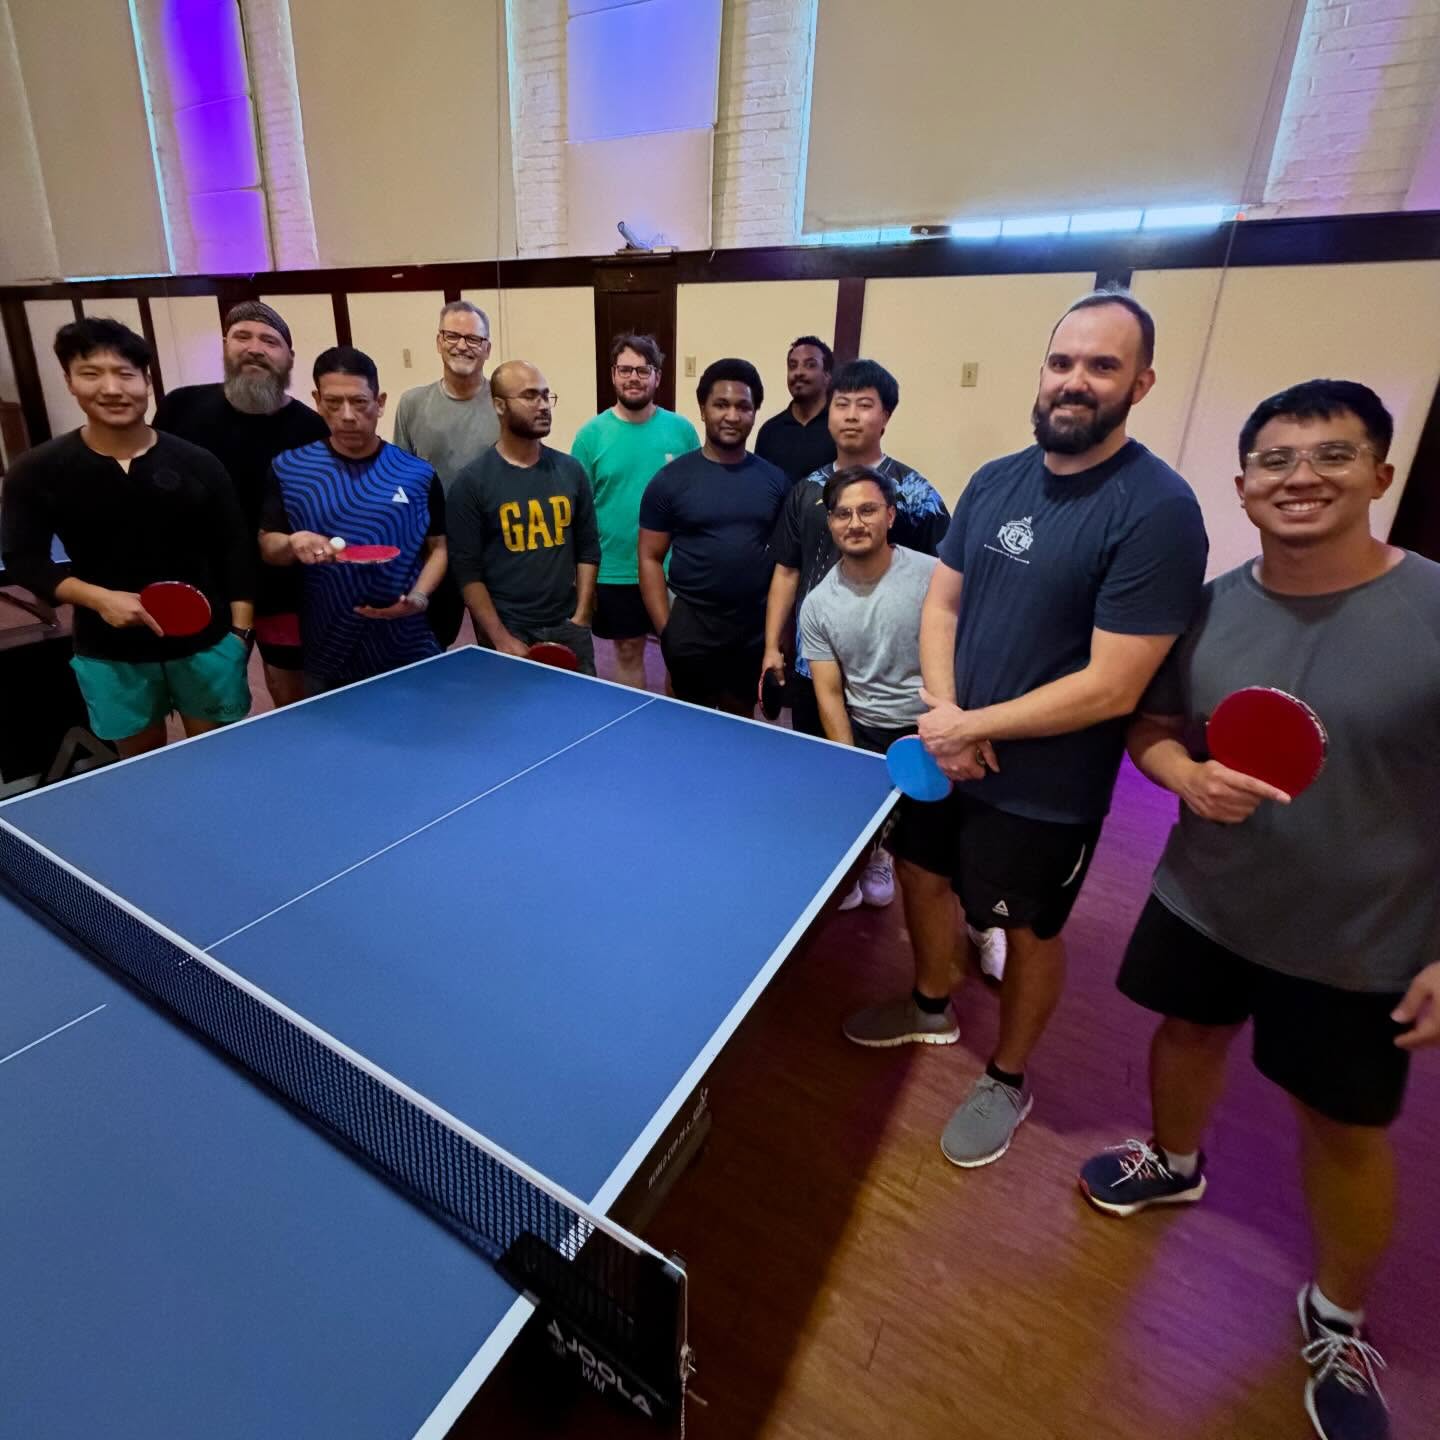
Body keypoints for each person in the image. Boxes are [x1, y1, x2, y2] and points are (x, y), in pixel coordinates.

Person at [1077, 380, 1440, 1440]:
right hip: (1208, 898)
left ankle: (1337, 1316)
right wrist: (1182, 774)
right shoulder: (1211, 606)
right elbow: (1152, 729)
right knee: (1185, 1033)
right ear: (1242, 488)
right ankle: (1175, 1165)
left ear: (1380, 474)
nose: (1302, 478)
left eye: (1332, 456)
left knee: (1342, 1128)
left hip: (1364, 937)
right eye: (1277, 461)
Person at [843, 289, 1209, 1176]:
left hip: (1047, 788)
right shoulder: (997, 479)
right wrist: (944, 716)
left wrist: (971, 724)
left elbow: (1113, 682)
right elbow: (945, 601)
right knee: (925, 880)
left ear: (1141, 383)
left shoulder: (1159, 509)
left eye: (1102, 365)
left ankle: (1008, 1075)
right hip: (949, 747)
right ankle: (932, 1005)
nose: (1074, 381)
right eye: (1062, 362)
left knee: (1030, 932)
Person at [0, 318, 253, 756]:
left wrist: (239, 636)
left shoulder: (198, 462)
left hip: (207, 643)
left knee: (220, 758)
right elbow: (24, 559)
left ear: (147, 381)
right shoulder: (37, 470)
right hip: (109, 649)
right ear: (70, 382)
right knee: (139, 768)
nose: (112, 388)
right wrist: (99, 599)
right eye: (92, 373)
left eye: (125, 374)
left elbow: (235, 550)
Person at [761, 358, 953, 915]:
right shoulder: (807, 491)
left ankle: (881, 854)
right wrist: (774, 645)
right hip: (815, 659)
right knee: (833, 771)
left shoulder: (914, 491)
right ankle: (848, 852)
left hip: (892, 670)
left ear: (886, 415)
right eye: (841, 403)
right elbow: (787, 570)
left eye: (864, 404)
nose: (850, 415)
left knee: (899, 778)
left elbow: (944, 587)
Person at [153, 300, 329, 707]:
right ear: (225, 345)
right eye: (242, 337)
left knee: (293, 695)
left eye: (269, 341)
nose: (255, 348)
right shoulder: (181, 408)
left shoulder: (311, 427)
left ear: (288, 357)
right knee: (213, 699)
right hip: (209, 584)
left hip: (284, 585)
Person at [258, 346, 446, 691]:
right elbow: (268, 545)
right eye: (333, 402)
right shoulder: (288, 468)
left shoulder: (417, 473)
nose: (347, 415)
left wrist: (419, 598)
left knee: (422, 735)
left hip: (407, 642)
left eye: (359, 402)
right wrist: (291, 543)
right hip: (327, 648)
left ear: (380, 402)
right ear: (317, 400)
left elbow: (439, 547)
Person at [638, 358, 789, 715]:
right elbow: (649, 557)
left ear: (755, 413)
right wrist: (667, 630)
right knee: (688, 721)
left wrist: (777, 635)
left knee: (740, 719)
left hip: (751, 623)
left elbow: (787, 566)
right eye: (721, 404)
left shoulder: (776, 481)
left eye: (743, 406)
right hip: (692, 621)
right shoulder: (670, 480)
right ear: (703, 410)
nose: (732, 416)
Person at [446, 361, 600, 674]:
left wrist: (582, 616)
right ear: (499, 405)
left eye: (546, 396)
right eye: (530, 397)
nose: (543, 405)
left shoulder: (571, 472)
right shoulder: (472, 483)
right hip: (509, 628)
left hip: (568, 624)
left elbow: (587, 549)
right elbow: (467, 572)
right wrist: (500, 637)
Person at [570, 333, 699, 688]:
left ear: (658, 376)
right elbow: (580, 512)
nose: (633, 378)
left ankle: (674, 723)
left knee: (679, 652)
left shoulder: (683, 431)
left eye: (643, 370)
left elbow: (693, 499)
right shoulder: (589, 436)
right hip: (615, 568)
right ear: (613, 375)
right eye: (625, 370)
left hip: (675, 568)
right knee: (627, 650)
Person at [392, 301, 499, 649]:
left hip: (493, 553)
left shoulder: (504, 403)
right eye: (452, 335)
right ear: (439, 341)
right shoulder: (411, 404)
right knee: (431, 645)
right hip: (434, 551)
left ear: (487, 348)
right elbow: (402, 483)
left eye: (472, 338)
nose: (462, 345)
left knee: (497, 646)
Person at [754, 335, 837, 483]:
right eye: (793, 366)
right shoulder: (770, 431)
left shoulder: (840, 428)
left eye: (810, 365)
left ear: (827, 375)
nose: (798, 372)